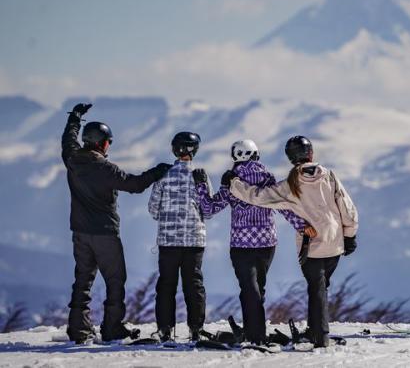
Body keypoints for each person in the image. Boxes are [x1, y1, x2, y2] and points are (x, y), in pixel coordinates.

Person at [225, 136, 358, 348]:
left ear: (290, 158)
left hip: (311, 242)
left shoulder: (291, 184)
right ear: (311, 154)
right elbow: (346, 206)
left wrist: (234, 183)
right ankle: (316, 330)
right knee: (321, 287)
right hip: (335, 240)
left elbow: (258, 196)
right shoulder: (330, 175)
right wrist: (350, 235)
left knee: (317, 288)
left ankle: (320, 336)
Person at [61, 103, 172, 344]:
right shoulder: (105, 168)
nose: (109, 145)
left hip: (79, 233)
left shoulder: (72, 159)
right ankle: (112, 328)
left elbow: (68, 140)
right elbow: (134, 184)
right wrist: (157, 172)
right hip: (105, 235)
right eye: (108, 141)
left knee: (83, 280)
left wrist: (75, 118)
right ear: (101, 142)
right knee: (115, 281)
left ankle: (78, 329)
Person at [192, 139, 311, 345]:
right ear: (256, 154)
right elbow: (282, 205)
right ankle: (253, 330)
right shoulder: (267, 177)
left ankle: (255, 336)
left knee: (248, 289)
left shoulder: (232, 180)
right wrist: (301, 225)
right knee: (258, 288)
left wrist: (202, 185)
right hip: (267, 243)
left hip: (241, 245)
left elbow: (208, 209)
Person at [148, 132, 210, 343]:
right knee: (194, 285)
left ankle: (165, 330)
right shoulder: (200, 175)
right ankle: (196, 330)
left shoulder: (165, 174)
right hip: (194, 241)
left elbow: (153, 208)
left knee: (166, 286)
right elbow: (208, 210)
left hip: (168, 240)